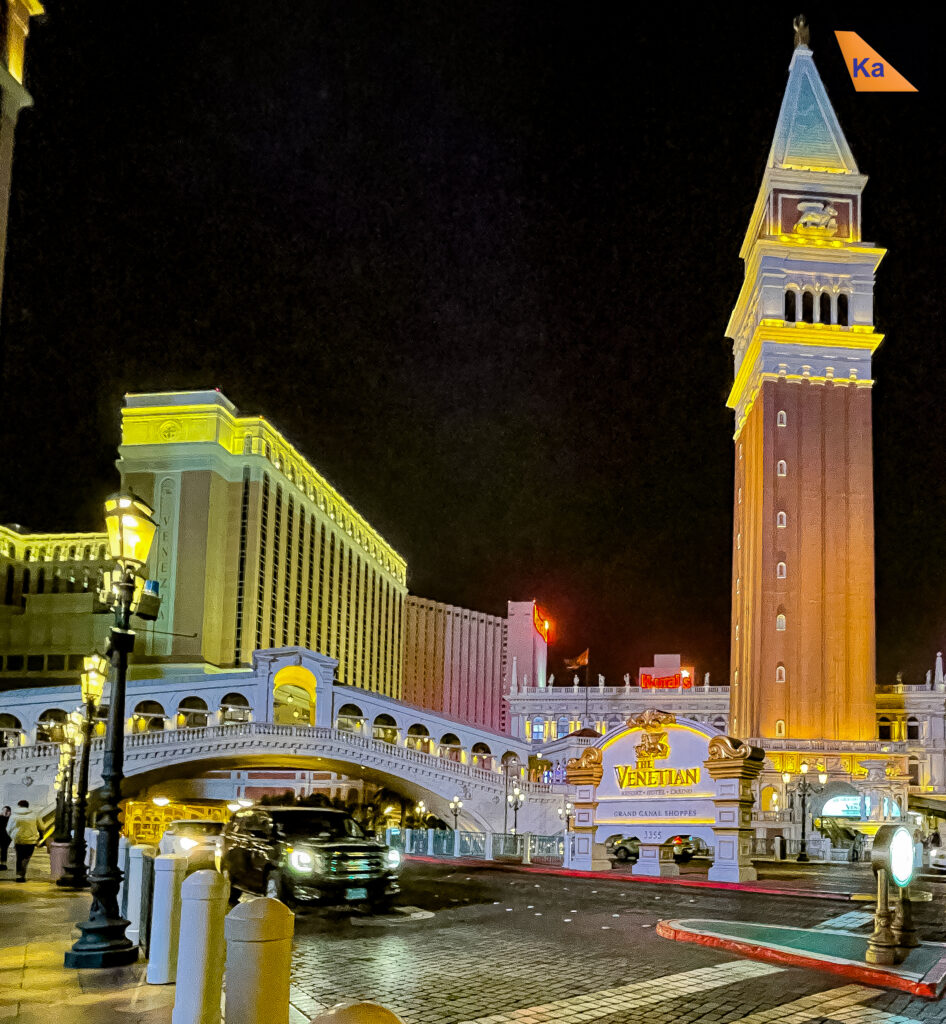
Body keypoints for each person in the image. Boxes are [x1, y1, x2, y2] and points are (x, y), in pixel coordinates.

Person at [7, 799, 40, 882]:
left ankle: (19, 875)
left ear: (19, 806)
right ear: (27, 806)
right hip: (31, 841)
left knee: (19, 857)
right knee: (26, 858)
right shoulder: (34, 815)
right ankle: (22, 874)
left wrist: (13, 836)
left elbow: (8, 829)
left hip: (18, 840)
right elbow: (42, 827)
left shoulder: (13, 816)